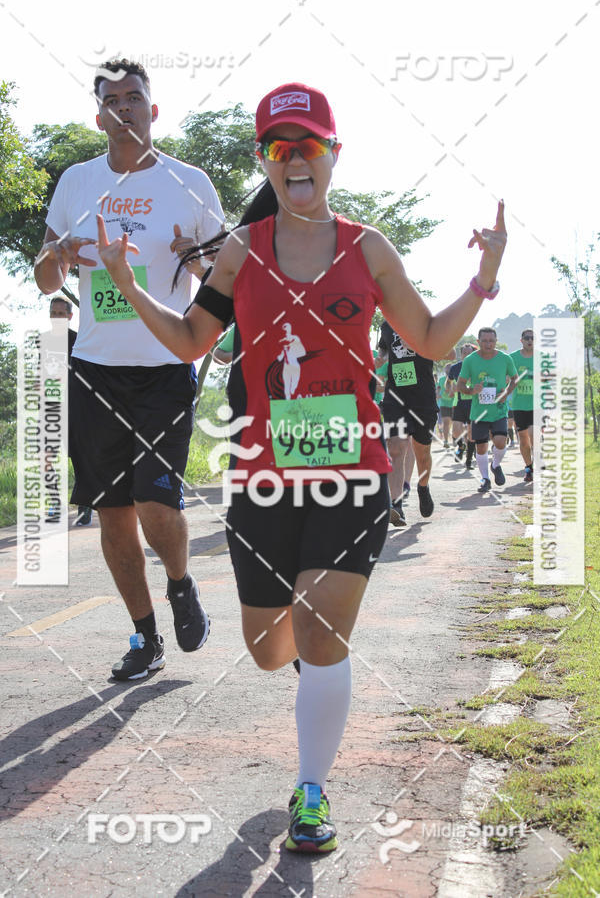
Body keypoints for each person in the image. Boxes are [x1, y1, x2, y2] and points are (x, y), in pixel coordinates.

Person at [94, 81, 506, 852]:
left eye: (309, 145)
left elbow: (428, 339)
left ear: (333, 156)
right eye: (280, 148)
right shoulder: (244, 250)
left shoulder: (368, 246)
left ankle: (311, 793)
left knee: (321, 634)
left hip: (352, 471)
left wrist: (483, 281)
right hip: (263, 476)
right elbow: (191, 340)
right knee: (267, 650)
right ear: (265, 161)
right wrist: (127, 285)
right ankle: (312, 680)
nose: (296, 159)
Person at [34, 58, 224, 681]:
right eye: (111, 100)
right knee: (112, 511)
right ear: (99, 116)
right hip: (95, 369)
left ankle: (180, 583)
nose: (124, 109)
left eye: (134, 98)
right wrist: (57, 258)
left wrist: (191, 268)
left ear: (153, 109)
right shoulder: (77, 184)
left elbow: (221, 277)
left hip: (165, 364)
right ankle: (145, 638)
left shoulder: (189, 183)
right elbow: (44, 277)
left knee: (154, 500)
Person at [379, 324, 455, 525]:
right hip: (395, 396)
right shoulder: (386, 325)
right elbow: (383, 351)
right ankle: (396, 505)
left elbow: (451, 354)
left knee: (422, 454)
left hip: (423, 398)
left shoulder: (425, 321)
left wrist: (419, 344)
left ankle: (423, 486)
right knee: (395, 447)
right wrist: (377, 358)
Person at [49, 296, 94, 526]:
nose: (57, 318)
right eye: (53, 313)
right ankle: (54, 504)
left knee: (80, 460)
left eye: (60, 314)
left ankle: (85, 507)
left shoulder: (80, 341)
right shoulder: (42, 342)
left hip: (77, 409)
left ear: (69, 316)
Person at [457, 327, 517, 492]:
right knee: (481, 447)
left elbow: (515, 379)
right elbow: (460, 385)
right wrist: (471, 390)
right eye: (484, 341)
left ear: (496, 341)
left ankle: (495, 465)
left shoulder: (505, 359)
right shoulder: (470, 360)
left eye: (491, 341)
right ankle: (485, 479)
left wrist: (506, 393)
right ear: (478, 342)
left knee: (500, 442)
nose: (488, 344)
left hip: (499, 410)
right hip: (479, 412)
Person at [510, 329, 534, 482]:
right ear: (521, 340)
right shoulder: (512, 358)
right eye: (527, 338)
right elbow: (506, 377)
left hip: (536, 405)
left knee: (535, 436)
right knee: (524, 439)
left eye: (532, 338)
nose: (530, 340)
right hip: (519, 405)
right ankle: (528, 467)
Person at [448, 342, 476, 469]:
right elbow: (448, 383)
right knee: (455, 431)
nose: (467, 355)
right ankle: (460, 446)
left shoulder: (479, 366)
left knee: (471, 433)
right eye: (464, 353)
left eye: (469, 353)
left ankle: (469, 461)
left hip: (474, 403)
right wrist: (450, 390)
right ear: (461, 354)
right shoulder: (455, 368)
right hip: (458, 403)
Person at [438, 364, 456, 448]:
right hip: (444, 404)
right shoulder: (441, 380)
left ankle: (454, 439)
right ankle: (445, 441)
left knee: (454, 423)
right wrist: (437, 394)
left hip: (454, 404)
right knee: (446, 423)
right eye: (447, 369)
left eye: (450, 369)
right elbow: (437, 389)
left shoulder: (455, 379)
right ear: (445, 370)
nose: (448, 370)